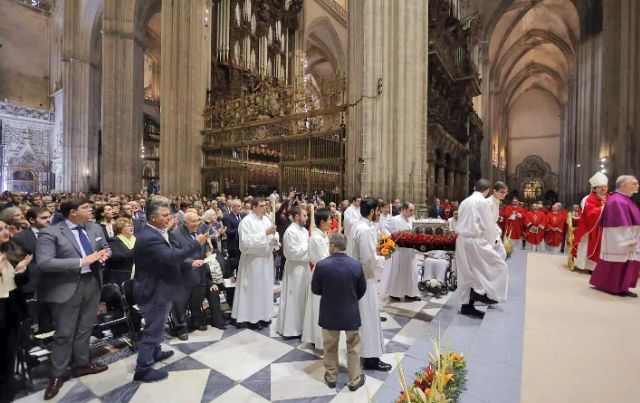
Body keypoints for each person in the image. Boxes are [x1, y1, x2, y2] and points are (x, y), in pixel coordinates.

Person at [36, 198, 111, 399]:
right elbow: (44, 263)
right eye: (86, 207)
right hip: (67, 286)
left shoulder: (94, 227)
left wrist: (104, 254)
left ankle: (82, 364)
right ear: (73, 212)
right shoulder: (50, 232)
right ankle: (58, 375)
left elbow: (105, 246)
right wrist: (81, 261)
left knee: (86, 328)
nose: (91, 209)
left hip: (92, 282)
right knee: (64, 333)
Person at [132, 196, 208, 382]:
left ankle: (155, 353)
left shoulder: (157, 231)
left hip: (161, 286)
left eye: (169, 214)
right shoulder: (149, 237)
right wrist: (195, 243)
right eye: (165, 215)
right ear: (152, 217)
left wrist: (188, 263)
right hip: (153, 289)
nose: (169, 218)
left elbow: (168, 259)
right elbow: (171, 258)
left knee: (158, 325)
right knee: (153, 329)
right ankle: (143, 369)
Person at [312, 233, 366, 391]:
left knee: (330, 346)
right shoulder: (356, 265)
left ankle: (331, 377)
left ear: (333, 246)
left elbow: (315, 289)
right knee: (354, 346)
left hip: (330, 311)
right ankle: (354, 379)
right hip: (350, 311)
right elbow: (361, 289)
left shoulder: (322, 265)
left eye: (329, 245)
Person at [347, 198, 391, 371]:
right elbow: (368, 259)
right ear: (372, 211)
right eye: (378, 211)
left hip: (362, 277)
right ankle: (371, 358)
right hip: (365, 278)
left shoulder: (360, 226)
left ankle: (367, 353)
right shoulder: (363, 229)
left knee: (366, 317)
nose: (379, 214)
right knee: (368, 318)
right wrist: (383, 258)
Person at [456, 179, 509, 319]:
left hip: (461, 240)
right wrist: (492, 243)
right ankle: (485, 294)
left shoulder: (465, 201)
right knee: (499, 266)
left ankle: (467, 305)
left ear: (474, 187)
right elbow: (488, 226)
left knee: (466, 273)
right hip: (475, 241)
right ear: (488, 190)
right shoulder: (483, 202)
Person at [231, 198, 280, 329]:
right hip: (253, 261)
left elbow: (274, 235)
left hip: (266, 259)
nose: (265, 208)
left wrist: (275, 240)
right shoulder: (246, 222)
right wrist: (265, 233)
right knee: (253, 290)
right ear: (253, 207)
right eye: (262, 206)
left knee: (264, 288)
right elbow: (246, 243)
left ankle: (264, 315)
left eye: (265, 205)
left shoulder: (266, 219)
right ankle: (252, 318)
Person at [590, 176, 640, 297]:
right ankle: (613, 287)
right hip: (620, 238)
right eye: (634, 183)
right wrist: (628, 239)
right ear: (623, 185)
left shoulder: (625, 199)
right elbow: (619, 223)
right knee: (617, 262)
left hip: (631, 237)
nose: (637, 185)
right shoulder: (618, 200)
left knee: (626, 263)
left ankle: (622, 287)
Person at [0, 220, 33, 403]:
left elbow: (21, 282)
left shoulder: (11, 249)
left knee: (8, 352)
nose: (5, 232)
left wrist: (21, 271)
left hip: (11, 306)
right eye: (0, 230)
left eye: (6, 228)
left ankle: (7, 392)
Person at [170, 211, 211, 338]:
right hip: (184, 273)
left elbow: (202, 248)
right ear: (185, 222)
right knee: (180, 304)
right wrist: (191, 262)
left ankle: (196, 321)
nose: (196, 223)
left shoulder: (200, 231)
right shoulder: (175, 234)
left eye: (198, 220)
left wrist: (208, 253)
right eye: (193, 221)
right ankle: (180, 328)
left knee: (197, 300)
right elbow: (175, 254)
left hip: (200, 271)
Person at [277, 206, 310, 338]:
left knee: (302, 298)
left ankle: (302, 327)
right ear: (296, 217)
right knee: (293, 298)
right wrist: (310, 246)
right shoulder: (290, 232)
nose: (306, 218)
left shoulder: (304, 231)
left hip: (304, 267)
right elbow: (291, 253)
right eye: (304, 215)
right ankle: (291, 329)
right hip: (295, 268)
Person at [302, 208, 331, 349]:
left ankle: (321, 336)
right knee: (317, 306)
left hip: (325, 272)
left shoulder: (323, 235)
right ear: (322, 221)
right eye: (329, 220)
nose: (331, 222)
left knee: (322, 306)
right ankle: (317, 338)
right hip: (320, 273)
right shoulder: (316, 237)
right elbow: (323, 258)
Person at [572, 172, 609, 272]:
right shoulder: (588, 199)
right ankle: (590, 267)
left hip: (607, 228)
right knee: (589, 246)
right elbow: (588, 213)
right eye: (600, 187)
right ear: (594, 188)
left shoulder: (611, 198)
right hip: (591, 228)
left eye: (605, 186)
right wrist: (603, 208)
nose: (603, 189)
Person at [385, 202, 420, 301]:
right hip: (400, 250)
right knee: (399, 271)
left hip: (410, 251)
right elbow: (386, 230)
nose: (412, 212)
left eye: (413, 210)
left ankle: (411, 293)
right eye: (410, 210)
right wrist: (395, 236)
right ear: (403, 209)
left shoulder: (413, 220)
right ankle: (395, 293)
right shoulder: (394, 219)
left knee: (411, 272)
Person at [105, 218, 135, 285]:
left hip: (138, 274)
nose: (131, 227)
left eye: (131, 225)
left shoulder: (136, 239)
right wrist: (135, 250)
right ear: (120, 229)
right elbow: (117, 256)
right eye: (128, 226)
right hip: (122, 276)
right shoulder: (114, 240)